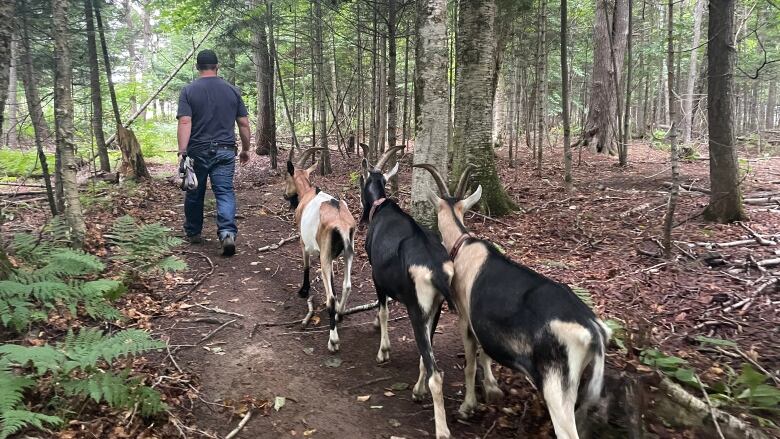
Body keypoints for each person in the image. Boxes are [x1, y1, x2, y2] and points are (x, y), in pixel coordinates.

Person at [176, 49, 251, 256]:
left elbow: (185, 121)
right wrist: (245, 149)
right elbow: (243, 123)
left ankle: (193, 233)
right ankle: (227, 233)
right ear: (217, 66)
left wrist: (183, 152)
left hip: (197, 150)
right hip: (225, 150)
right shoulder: (232, 90)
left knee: (194, 191)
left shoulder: (188, 91)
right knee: (224, 192)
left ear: (197, 67)